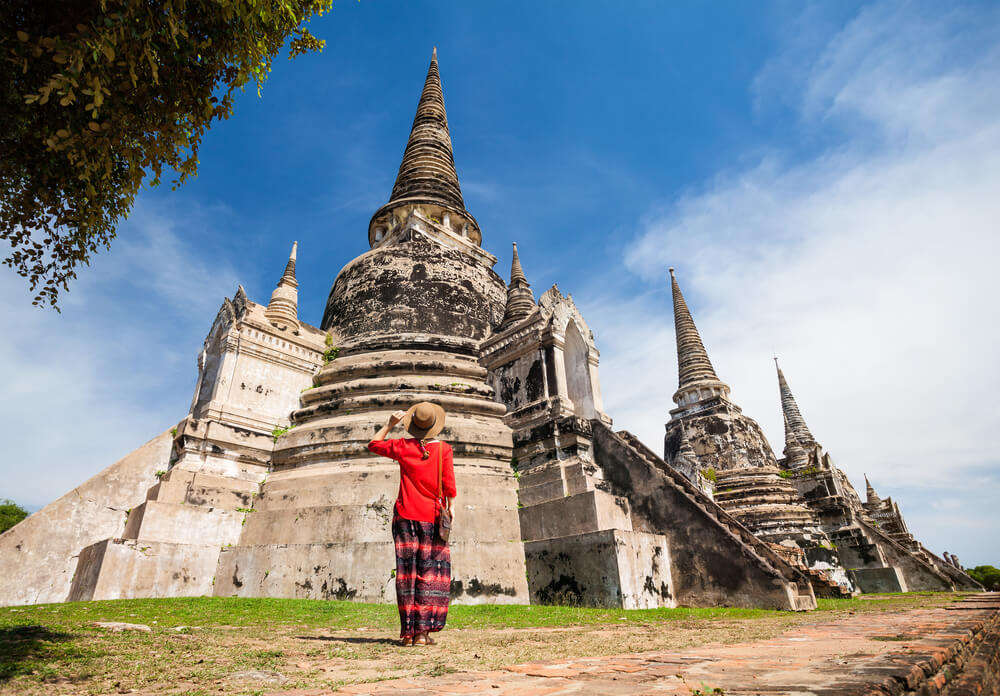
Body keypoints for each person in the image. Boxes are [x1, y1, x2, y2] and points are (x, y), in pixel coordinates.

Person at [368, 402, 456, 647]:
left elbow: (374, 444)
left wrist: (389, 424)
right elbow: (449, 486)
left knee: (407, 573)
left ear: (413, 425)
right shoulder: (444, 450)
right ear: (434, 426)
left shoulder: (402, 446)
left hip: (405, 515)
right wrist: (452, 509)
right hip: (432, 516)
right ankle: (422, 634)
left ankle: (408, 633)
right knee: (431, 574)